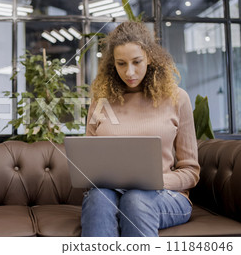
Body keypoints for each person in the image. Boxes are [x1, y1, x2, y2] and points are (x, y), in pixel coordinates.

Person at [82, 21, 200, 237]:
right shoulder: (101, 101)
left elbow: (191, 172)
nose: (130, 72)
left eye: (137, 62)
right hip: (111, 194)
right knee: (99, 198)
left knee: (135, 199)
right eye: (121, 64)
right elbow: (89, 167)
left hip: (165, 197)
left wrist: (157, 182)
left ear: (149, 57)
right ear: (112, 65)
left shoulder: (177, 98)